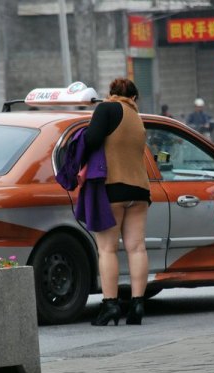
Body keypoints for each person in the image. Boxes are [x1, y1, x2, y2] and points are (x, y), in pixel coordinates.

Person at [83, 77, 151, 326]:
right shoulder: (137, 117)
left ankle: (110, 305)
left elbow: (91, 140)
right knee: (137, 248)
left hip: (113, 188)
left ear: (111, 94)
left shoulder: (107, 108)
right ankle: (137, 304)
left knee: (107, 249)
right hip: (140, 190)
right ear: (134, 97)